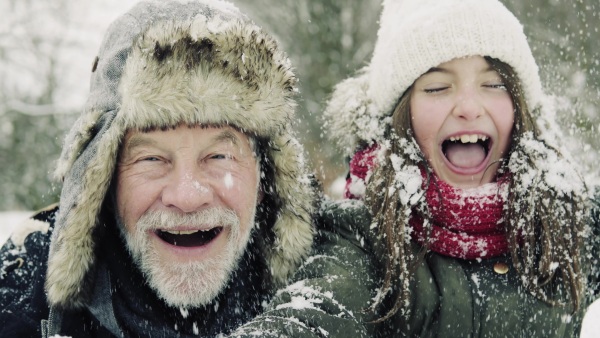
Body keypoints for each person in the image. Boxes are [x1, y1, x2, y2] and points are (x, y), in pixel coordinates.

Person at [0, 1, 377, 337]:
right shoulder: (23, 288)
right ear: (104, 181)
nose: (186, 196)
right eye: (151, 160)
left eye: (219, 157)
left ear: (265, 177)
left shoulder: (333, 261)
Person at [323, 0, 600, 336]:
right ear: (401, 116)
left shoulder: (567, 220)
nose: (469, 108)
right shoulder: (359, 239)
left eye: (495, 84)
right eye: (437, 87)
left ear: (519, 109)